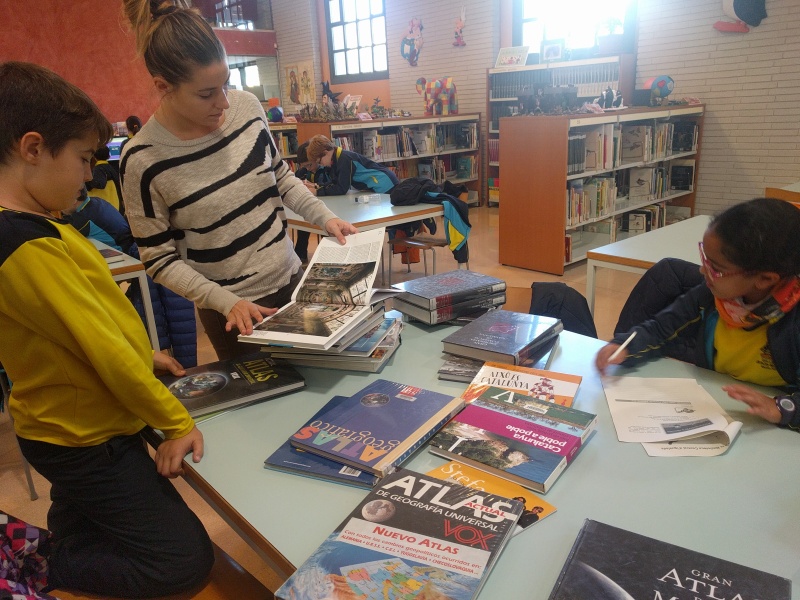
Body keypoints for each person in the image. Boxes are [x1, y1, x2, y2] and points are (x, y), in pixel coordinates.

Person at [0, 61, 213, 597]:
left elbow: (85, 328)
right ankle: (47, 567)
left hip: (70, 427)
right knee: (183, 560)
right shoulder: (25, 245)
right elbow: (103, 351)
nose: (89, 177)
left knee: (87, 511)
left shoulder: (37, 226)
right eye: (82, 159)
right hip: (85, 438)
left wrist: (144, 357)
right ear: (33, 148)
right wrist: (174, 422)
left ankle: (63, 543)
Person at [120, 0, 357, 360]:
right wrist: (224, 301)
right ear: (163, 86)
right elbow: (158, 259)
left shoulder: (247, 108)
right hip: (232, 312)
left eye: (226, 85)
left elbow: (280, 178)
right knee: (266, 394)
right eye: (206, 94)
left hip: (293, 281)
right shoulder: (142, 158)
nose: (224, 103)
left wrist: (324, 217)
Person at [595, 198, 800, 432]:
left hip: (769, 423)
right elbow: (661, 327)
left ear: (765, 279)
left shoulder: (793, 321)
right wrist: (625, 346)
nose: (702, 270)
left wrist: (785, 409)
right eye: (704, 258)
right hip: (717, 399)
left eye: (716, 269)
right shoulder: (710, 295)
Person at [305, 134, 400, 197]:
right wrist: (316, 186)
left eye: (319, 161)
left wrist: (317, 192)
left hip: (384, 182)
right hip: (379, 183)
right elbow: (335, 182)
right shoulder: (336, 158)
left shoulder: (344, 159)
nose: (321, 165)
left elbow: (341, 188)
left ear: (325, 152)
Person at [293, 141, 332, 263]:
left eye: (309, 165)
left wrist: (316, 186)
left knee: (326, 224)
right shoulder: (303, 172)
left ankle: (327, 256)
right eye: (304, 166)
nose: (308, 169)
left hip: (330, 207)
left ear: (316, 158)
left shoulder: (327, 169)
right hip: (310, 207)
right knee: (304, 222)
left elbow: (332, 185)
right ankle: (301, 254)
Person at [86, 144, 122, 211]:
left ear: (94, 156)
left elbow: (100, 184)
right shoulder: (111, 168)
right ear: (108, 156)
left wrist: (87, 182)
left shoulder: (98, 169)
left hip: (101, 205)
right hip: (113, 204)